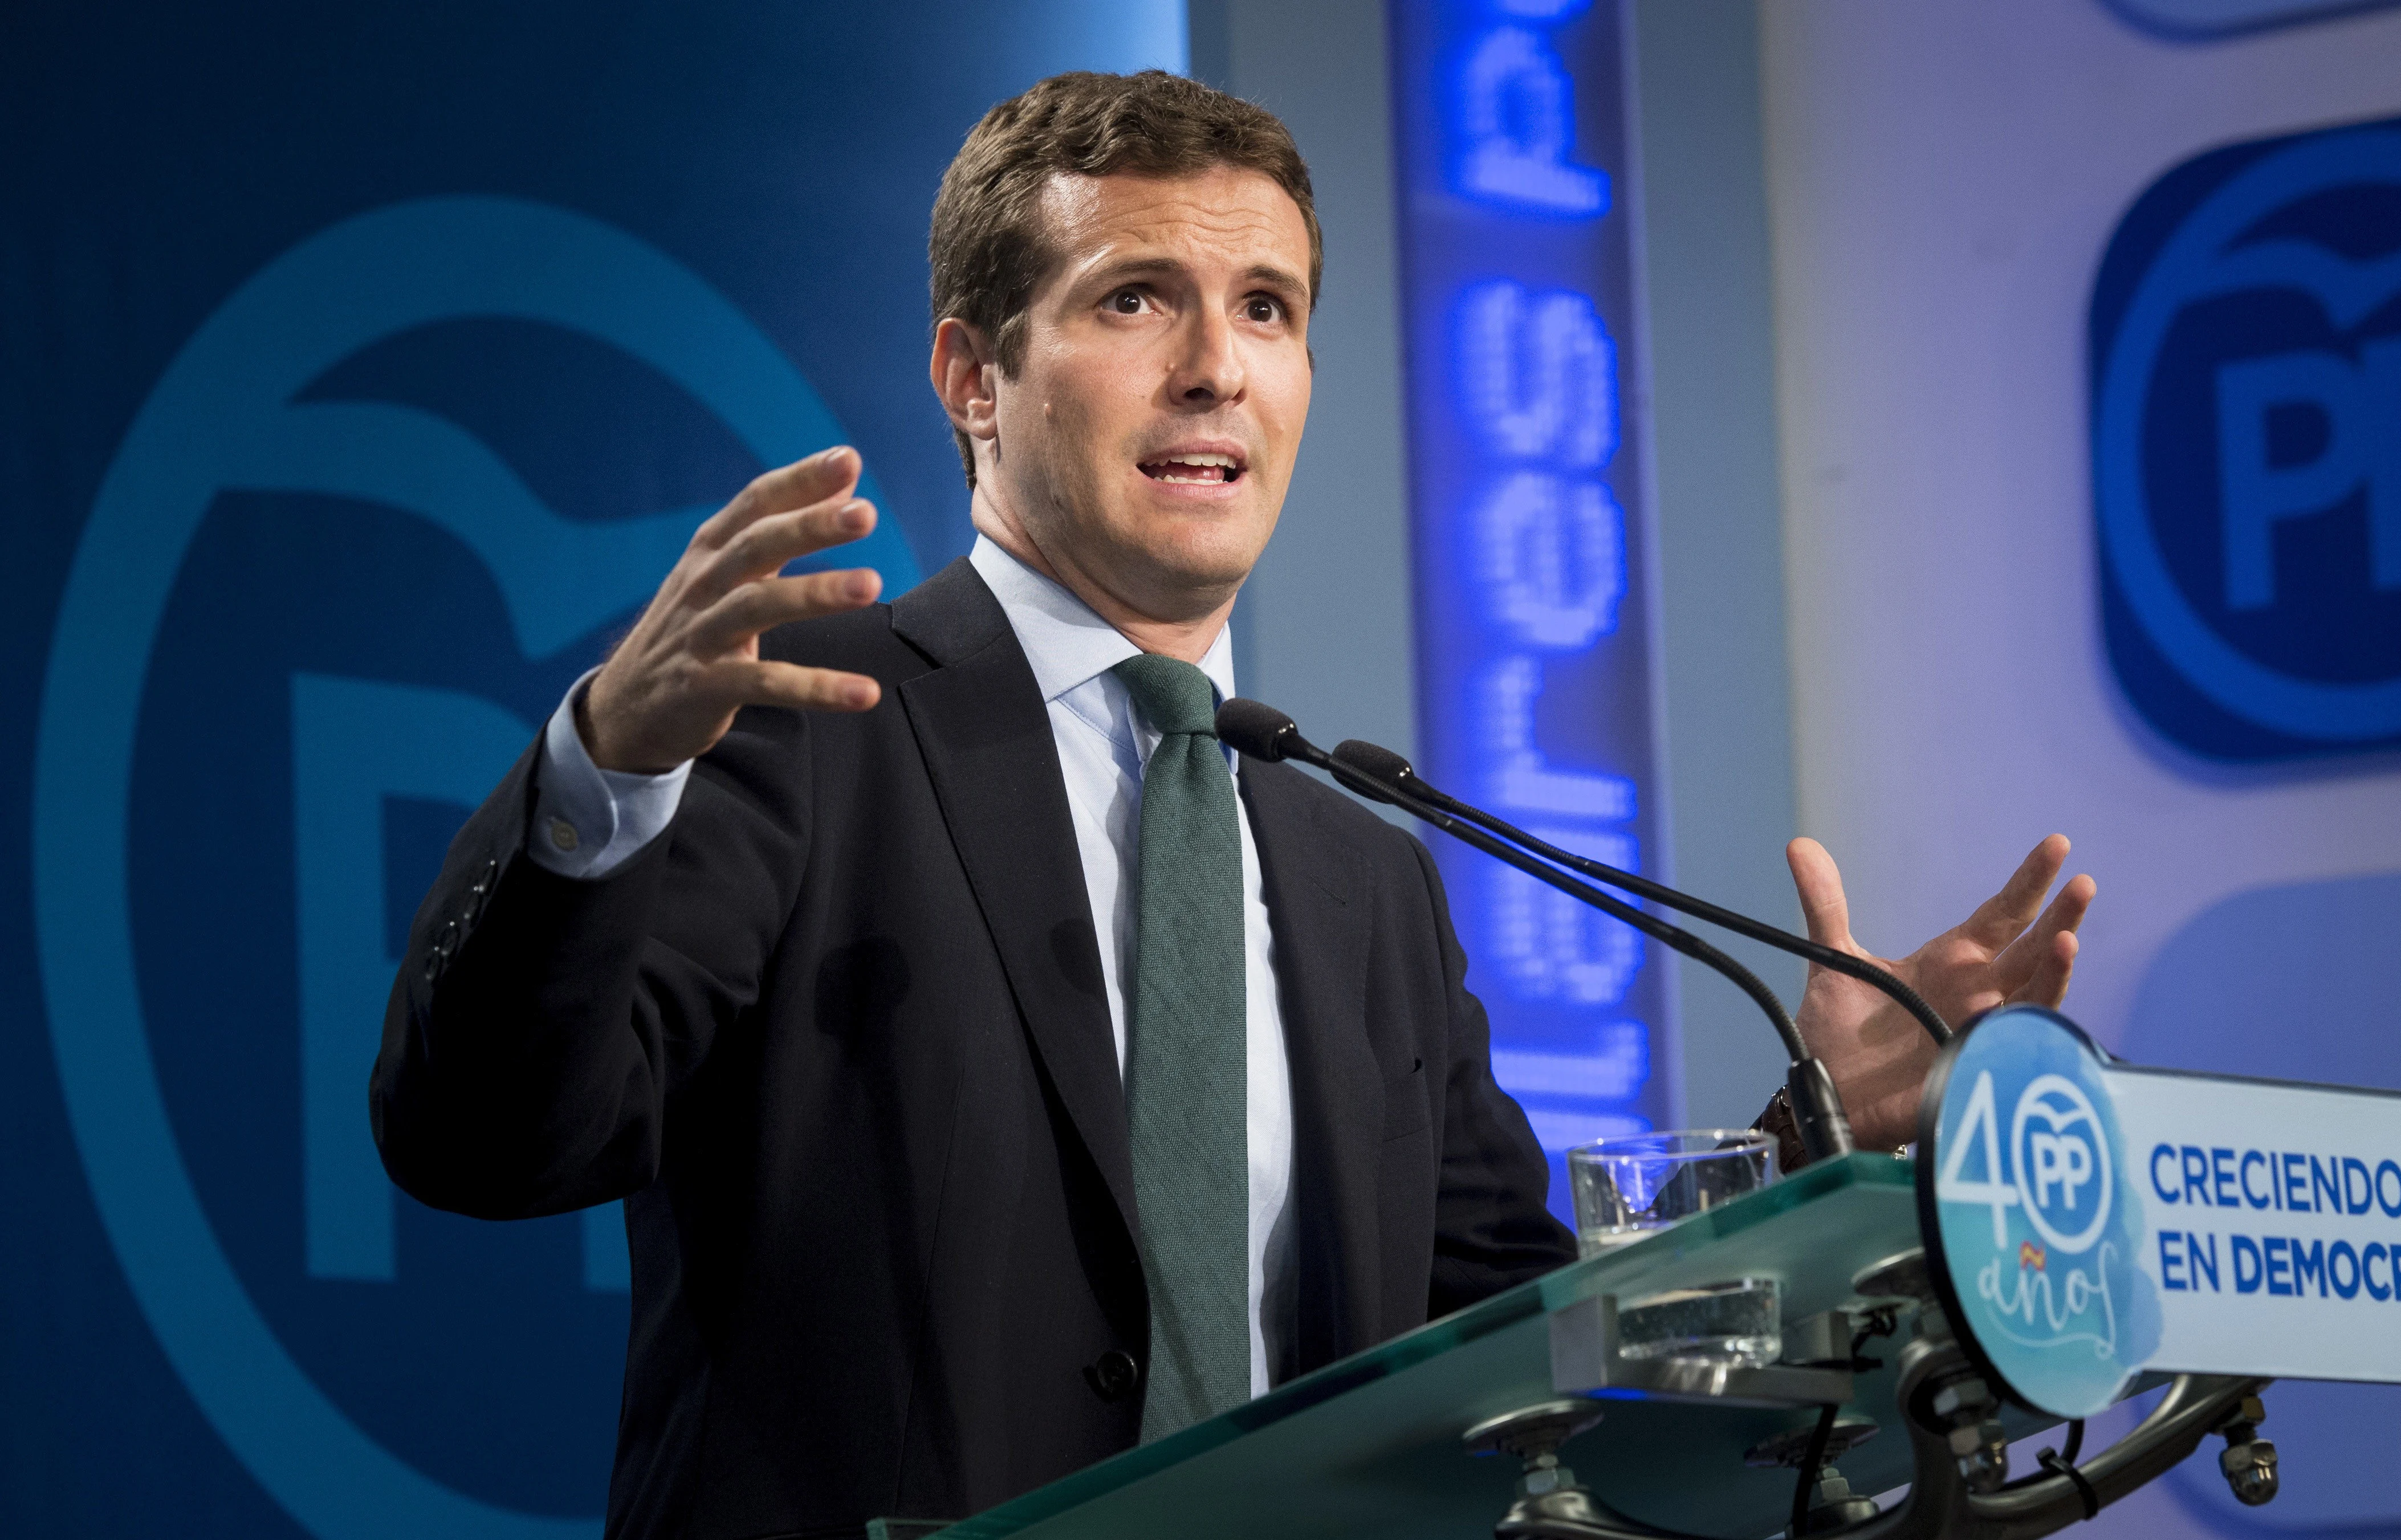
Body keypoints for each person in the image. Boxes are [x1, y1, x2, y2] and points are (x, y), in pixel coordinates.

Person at [374, 70, 2093, 1540]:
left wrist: (1811, 1142)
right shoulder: (805, 731)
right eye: (1137, 298)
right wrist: (605, 770)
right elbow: (486, 1134)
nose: (1218, 367)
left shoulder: (1362, 871)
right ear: (974, 377)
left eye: (1267, 307)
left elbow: (1518, 1347)